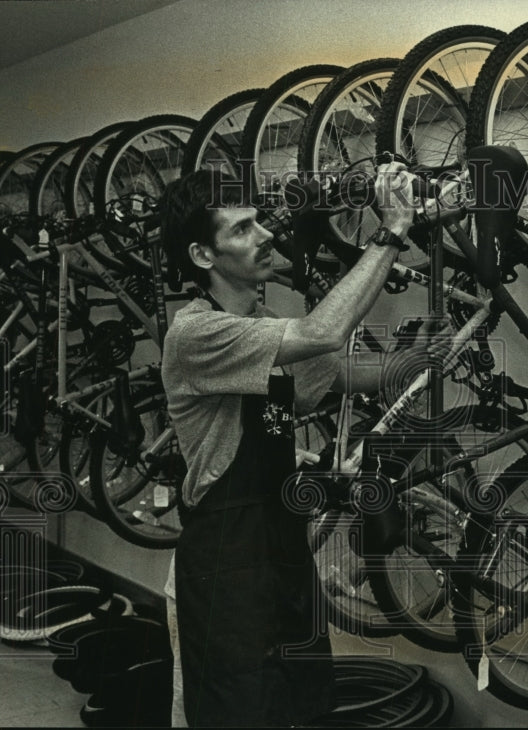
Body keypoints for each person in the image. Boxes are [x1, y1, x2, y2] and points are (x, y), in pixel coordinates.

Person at [158, 164, 430, 727]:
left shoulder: (262, 325)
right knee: (237, 711)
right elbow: (322, 334)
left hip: (282, 549)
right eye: (241, 229)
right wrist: (390, 231)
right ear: (203, 256)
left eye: (259, 222)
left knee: (298, 703)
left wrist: (428, 356)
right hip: (226, 561)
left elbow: (339, 372)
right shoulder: (196, 333)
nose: (263, 237)